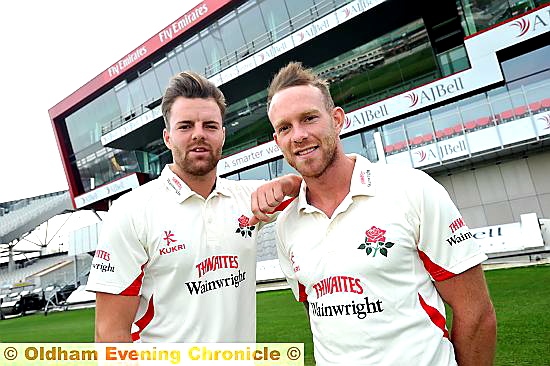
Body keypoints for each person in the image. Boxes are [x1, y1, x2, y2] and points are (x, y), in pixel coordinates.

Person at [262, 62, 497, 365]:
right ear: (277, 140)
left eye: (309, 118)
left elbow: (476, 313)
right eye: (285, 128)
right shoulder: (286, 225)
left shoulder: (411, 189)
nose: (299, 135)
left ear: (337, 120)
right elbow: (317, 313)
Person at [86, 71, 301, 343]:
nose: (199, 135)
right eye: (186, 126)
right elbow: (109, 334)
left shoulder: (249, 199)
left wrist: (288, 183)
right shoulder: (131, 211)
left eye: (209, 126)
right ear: (167, 137)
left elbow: (316, 191)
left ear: (222, 135)